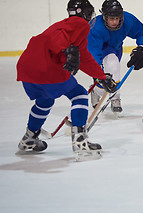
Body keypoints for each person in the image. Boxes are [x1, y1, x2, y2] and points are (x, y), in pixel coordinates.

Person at [17, 0, 117, 156]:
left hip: (26, 68)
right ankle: (80, 142)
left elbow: (83, 57)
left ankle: (29, 137)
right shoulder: (80, 24)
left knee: (45, 100)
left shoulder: (62, 24)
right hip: (47, 68)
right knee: (79, 94)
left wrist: (101, 77)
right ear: (85, 13)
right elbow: (57, 39)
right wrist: (66, 49)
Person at [87, 0, 143, 116]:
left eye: (117, 18)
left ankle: (96, 90)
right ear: (104, 17)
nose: (115, 22)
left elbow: (142, 32)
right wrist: (98, 72)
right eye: (112, 19)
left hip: (117, 49)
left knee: (110, 75)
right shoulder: (95, 27)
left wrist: (141, 47)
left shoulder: (127, 20)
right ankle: (115, 97)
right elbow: (93, 51)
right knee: (112, 66)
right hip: (99, 51)